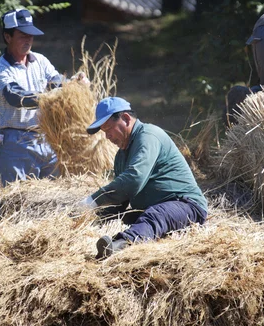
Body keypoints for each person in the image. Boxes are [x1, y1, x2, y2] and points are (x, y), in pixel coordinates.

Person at [81, 97, 208, 259]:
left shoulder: (148, 136)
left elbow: (133, 180)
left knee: (154, 216)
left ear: (126, 119)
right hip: (154, 209)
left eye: (108, 129)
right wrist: (89, 219)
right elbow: (120, 202)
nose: (107, 137)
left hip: (186, 206)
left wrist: (94, 200)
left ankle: (120, 246)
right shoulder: (121, 156)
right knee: (123, 218)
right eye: (104, 132)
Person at [0, 8, 63, 186]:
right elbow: (15, 97)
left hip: (47, 139)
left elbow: (57, 82)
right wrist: (48, 97)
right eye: (23, 35)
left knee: (54, 200)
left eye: (31, 35)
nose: (29, 39)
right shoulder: (1, 68)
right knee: (17, 202)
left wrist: (74, 84)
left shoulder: (40, 60)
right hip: (17, 142)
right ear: (8, 37)